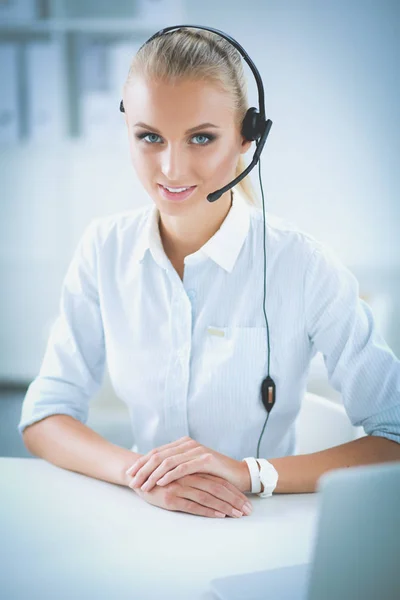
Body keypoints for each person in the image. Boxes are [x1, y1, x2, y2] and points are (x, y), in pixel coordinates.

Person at [19, 27, 400, 520]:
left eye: (201, 137)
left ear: (247, 138)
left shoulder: (302, 266)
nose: (172, 168)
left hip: (262, 524)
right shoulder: (104, 248)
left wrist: (249, 473)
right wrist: (143, 475)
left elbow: (394, 433)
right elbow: (44, 414)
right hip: (146, 520)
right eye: (149, 137)